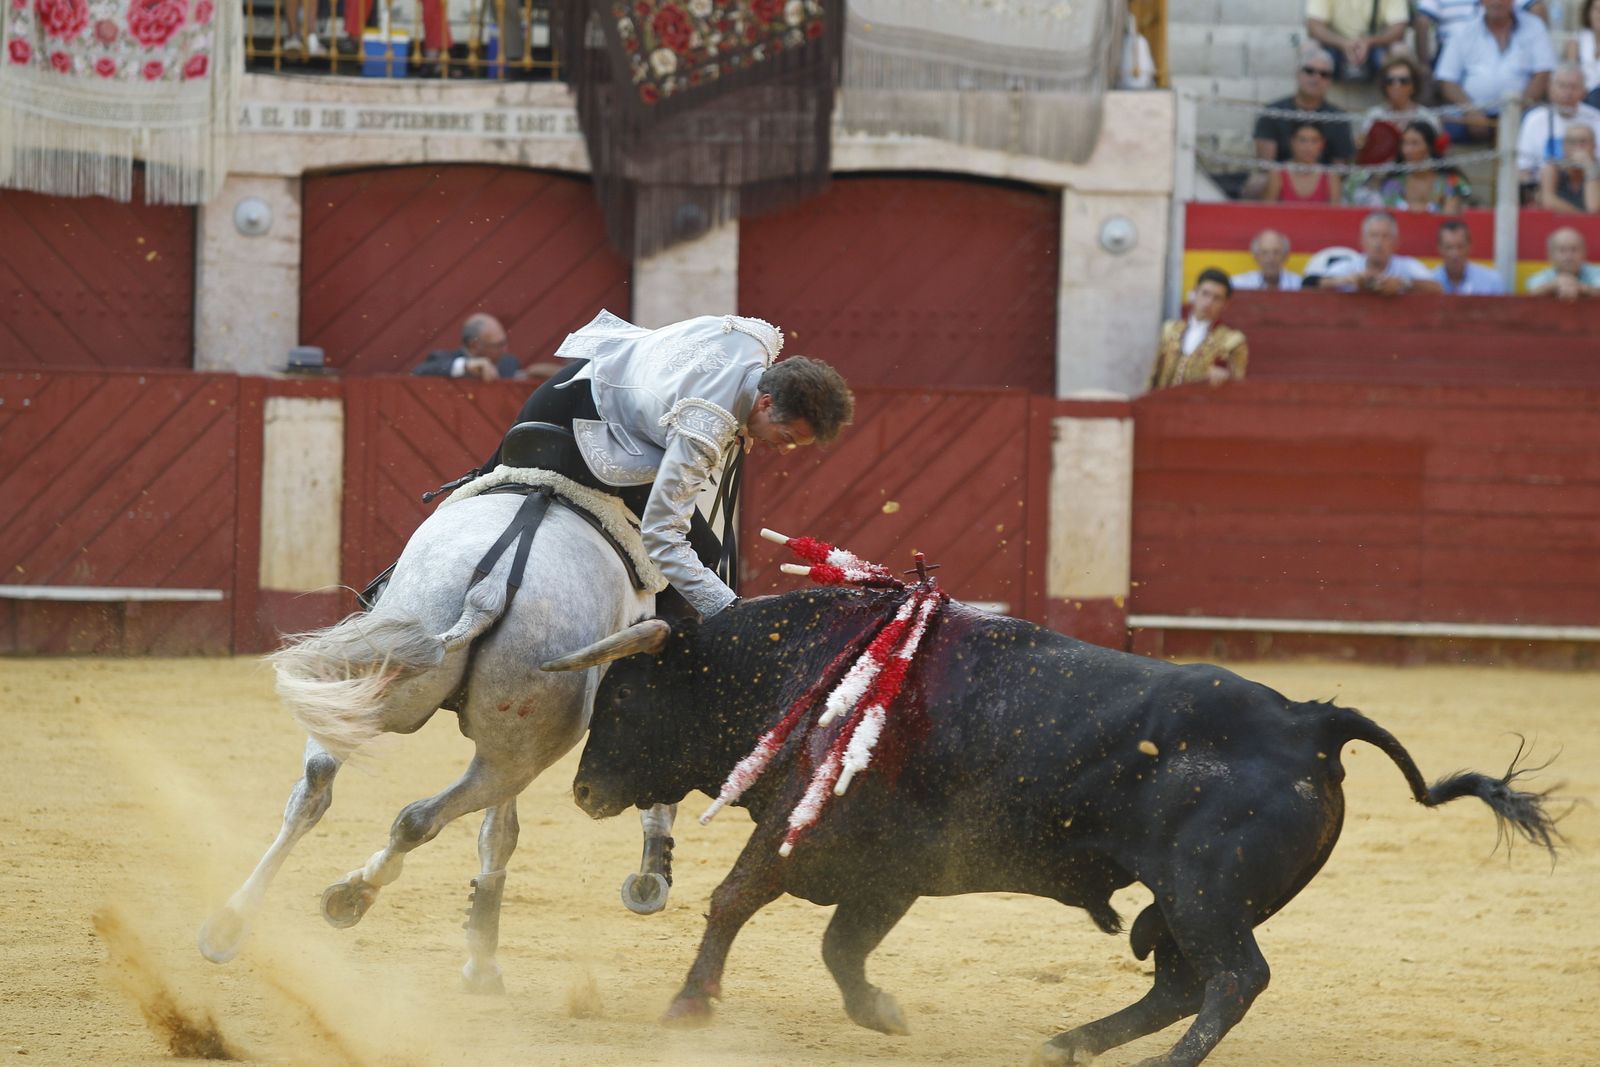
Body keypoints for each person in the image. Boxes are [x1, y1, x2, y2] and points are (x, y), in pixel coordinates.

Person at [484, 311, 854, 619]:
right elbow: (662, 537)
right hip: (576, 423)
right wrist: (727, 610)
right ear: (766, 402)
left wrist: (745, 425)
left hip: (579, 379)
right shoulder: (705, 427)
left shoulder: (755, 341)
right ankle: (653, 666)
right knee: (703, 549)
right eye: (786, 436)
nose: (785, 450)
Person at [1435, 0, 1556, 144]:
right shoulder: (1463, 29)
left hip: (1521, 109)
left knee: (1540, 125)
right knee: (1446, 129)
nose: (1497, 2)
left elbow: (1543, 73)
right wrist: (1471, 110)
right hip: (1472, 113)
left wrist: (1517, 110)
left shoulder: (1534, 26)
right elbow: (1447, 80)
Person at [1248, 49, 1356, 197]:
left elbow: (1340, 170)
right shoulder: (1273, 112)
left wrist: (1311, 180)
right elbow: (1265, 166)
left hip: (1323, 183)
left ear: (1330, 81)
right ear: (1298, 73)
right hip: (1279, 181)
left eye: (1324, 74)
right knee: (1258, 183)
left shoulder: (1338, 118)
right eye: (1309, 71)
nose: (1316, 78)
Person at [1148, 269, 1249, 390]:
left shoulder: (1233, 341)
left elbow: (1236, 386)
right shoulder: (1169, 330)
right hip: (1164, 400)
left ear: (1225, 304)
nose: (1208, 302)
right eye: (1205, 294)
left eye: (1217, 298)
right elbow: (1153, 377)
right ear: (1195, 293)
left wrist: (1225, 378)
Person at [1355, 120, 1471, 212]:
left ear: (1429, 147)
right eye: (1405, 143)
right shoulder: (1393, 183)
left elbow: (1450, 219)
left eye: (1415, 143)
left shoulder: (1452, 182)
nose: (1407, 150)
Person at [1324, 210, 1444, 293]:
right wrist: (1346, 280)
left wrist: (1403, 284)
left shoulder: (1407, 266)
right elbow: (1317, 283)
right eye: (1373, 236)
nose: (1378, 243)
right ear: (1362, 241)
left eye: (1385, 236)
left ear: (1396, 242)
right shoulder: (1349, 266)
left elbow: (1437, 288)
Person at [1415, 0, 1547, 75]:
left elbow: (1537, 8)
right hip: (1450, 49)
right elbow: (1422, 20)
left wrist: (1535, 42)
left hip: (1503, 43)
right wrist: (1424, 66)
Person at [1515, 64, 1600, 180]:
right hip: (1541, 184)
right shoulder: (1534, 119)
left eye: (1573, 87)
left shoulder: (1595, 118)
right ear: (1550, 87)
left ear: (1584, 91)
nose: (1568, 92)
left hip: (1586, 183)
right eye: (1562, 86)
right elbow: (1523, 167)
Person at [1305, 0, 1411, 81]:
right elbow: (1313, 25)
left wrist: (1369, 42)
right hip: (1335, 46)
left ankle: (1398, 104)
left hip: (1375, 47)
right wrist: (1343, 44)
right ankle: (1309, 103)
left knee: (1400, 50)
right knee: (1309, 48)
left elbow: (1399, 29)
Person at [1360, 55, 1441, 157]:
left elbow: (1435, 155)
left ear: (1414, 86)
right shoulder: (1374, 116)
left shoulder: (1427, 117)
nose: (1396, 85)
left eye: (1403, 81)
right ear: (1384, 86)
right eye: (1390, 81)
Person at [414, 313, 522, 381]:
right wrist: (465, 366)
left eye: (504, 343)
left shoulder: (509, 362)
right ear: (473, 345)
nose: (504, 349)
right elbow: (419, 371)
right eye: (496, 345)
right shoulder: (443, 359)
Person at [1264, 124, 1343, 203]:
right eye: (1302, 140)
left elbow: (1335, 208)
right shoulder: (1277, 173)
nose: (1308, 147)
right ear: (1292, 142)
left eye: (1314, 141)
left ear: (1322, 144)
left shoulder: (1331, 175)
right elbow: (1268, 208)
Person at [1536, 122, 1600, 211]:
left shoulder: (1596, 170)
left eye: (1583, 142)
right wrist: (1581, 216)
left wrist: (1589, 168)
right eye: (1572, 142)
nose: (1578, 147)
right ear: (1564, 146)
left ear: (1594, 146)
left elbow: (1593, 208)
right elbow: (1547, 201)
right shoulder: (1553, 169)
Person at [1432, 218, 1507, 293]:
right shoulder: (1430, 282)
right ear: (1439, 248)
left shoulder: (1491, 282)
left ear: (1470, 247)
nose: (1455, 254)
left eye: (1460, 246)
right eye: (1448, 247)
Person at [1526, 227, 1600, 298]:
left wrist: (1582, 288)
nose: (1569, 256)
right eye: (1562, 250)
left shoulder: (1596, 273)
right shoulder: (1540, 277)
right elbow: (1531, 293)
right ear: (1550, 255)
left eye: (1574, 249)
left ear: (1584, 253)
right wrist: (1554, 285)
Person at [1231, 229, 1304, 291]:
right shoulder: (1239, 285)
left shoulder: (1300, 285)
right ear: (1256, 257)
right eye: (1264, 253)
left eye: (1276, 252)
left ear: (1285, 256)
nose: (1271, 258)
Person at [1567, 0, 1600, 93]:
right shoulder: (1577, 40)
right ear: (1588, 12)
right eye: (1597, 9)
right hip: (1582, 95)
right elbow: (1571, 74)